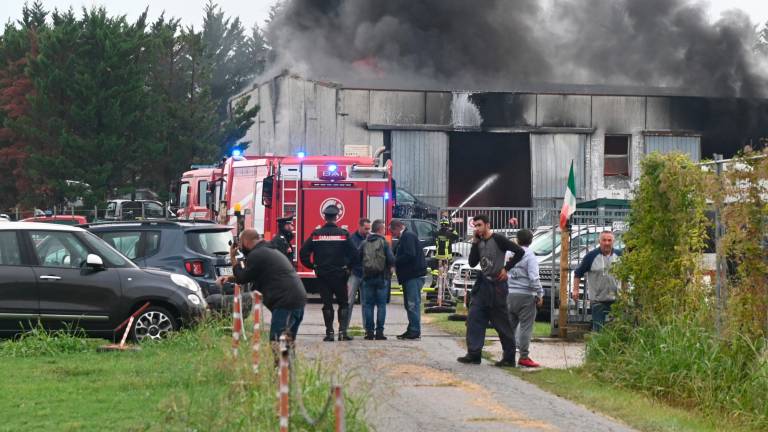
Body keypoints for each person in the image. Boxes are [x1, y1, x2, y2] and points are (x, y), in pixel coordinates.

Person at [457, 214, 524, 367]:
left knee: (501, 322)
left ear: (487, 225)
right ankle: (474, 354)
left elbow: (519, 252)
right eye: (475, 226)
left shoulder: (498, 239)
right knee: (474, 318)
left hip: (497, 285)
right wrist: (475, 242)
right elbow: (472, 263)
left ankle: (508, 358)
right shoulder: (478, 242)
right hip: (482, 284)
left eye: (480, 225)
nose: (477, 228)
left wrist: (506, 269)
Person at [216, 229, 307, 341]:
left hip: (285, 303)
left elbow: (242, 278)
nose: (239, 247)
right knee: (286, 345)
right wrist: (229, 278)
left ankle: (282, 359)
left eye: (240, 243)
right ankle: (286, 359)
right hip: (296, 300)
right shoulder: (266, 250)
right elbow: (251, 274)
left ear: (246, 241)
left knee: (277, 342)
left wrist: (233, 257)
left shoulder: (257, 254)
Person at [300, 205, 358, 341]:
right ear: (336, 217)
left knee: (327, 304)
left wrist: (312, 265)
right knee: (343, 303)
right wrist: (348, 266)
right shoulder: (343, 234)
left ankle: (329, 333)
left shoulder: (316, 234)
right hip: (340, 274)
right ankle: (342, 333)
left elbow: (303, 253)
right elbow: (355, 254)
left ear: (325, 217)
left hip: (322, 275)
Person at [506, 229, 544, 368]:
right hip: (526, 295)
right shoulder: (530, 255)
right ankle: (524, 356)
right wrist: (540, 293)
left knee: (509, 327)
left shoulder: (510, 254)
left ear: (517, 239)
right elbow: (534, 277)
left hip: (510, 293)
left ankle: (507, 355)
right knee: (525, 328)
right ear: (531, 240)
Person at [573, 230, 622, 332]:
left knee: (617, 329)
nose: (607, 243)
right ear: (599, 241)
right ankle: (597, 347)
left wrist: (626, 293)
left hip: (617, 300)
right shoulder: (591, 256)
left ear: (613, 242)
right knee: (598, 329)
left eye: (609, 240)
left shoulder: (620, 255)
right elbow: (578, 273)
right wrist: (575, 290)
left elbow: (626, 276)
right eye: (604, 240)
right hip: (598, 300)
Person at [390, 219, 426, 340]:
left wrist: (395, 261)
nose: (392, 233)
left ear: (398, 227)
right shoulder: (406, 237)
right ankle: (412, 329)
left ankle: (415, 331)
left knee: (412, 304)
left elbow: (410, 254)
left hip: (413, 276)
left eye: (392, 230)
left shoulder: (408, 236)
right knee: (409, 304)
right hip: (410, 276)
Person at [359, 219, 396, 340]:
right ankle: (379, 332)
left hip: (367, 278)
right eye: (384, 228)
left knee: (368, 305)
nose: (385, 230)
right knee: (381, 305)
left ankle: (369, 332)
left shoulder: (364, 243)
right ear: (380, 229)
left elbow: (357, 258)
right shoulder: (384, 242)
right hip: (382, 278)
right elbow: (391, 259)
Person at [345, 218, 371, 332]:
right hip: (354, 273)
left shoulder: (370, 239)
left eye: (369, 228)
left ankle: (367, 329)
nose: (368, 231)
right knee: (349, 302)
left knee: (366, 303)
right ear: (359, 227)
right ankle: (344, 328)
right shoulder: (351, 239)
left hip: (366, 274)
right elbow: (346, 255)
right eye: (366, 228)